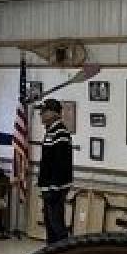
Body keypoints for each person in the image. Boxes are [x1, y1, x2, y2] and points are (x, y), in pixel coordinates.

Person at [37, 99, 75, 243]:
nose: (41, 114)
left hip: (56, 187)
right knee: (50, 225)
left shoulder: (60, 132)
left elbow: (60, 163)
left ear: (53, 113)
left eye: (44, 111)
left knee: (57, 226)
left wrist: (53, 186)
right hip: (50, 186)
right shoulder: (52, 131)